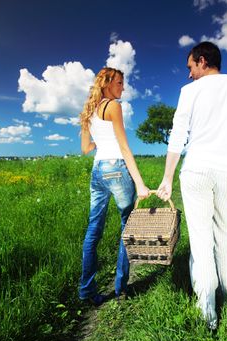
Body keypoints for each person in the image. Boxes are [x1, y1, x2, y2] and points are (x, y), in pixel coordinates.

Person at [156, 42, 227, 329]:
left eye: (190, 67)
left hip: (196, 171)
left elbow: (178, 136)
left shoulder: (189, 92)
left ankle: (208, 314)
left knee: (200, 242)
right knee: (225, 237)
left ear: (203, 60)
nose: (188, 74)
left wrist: (167, 178)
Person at [79, 67, 150, 305]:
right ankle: (121, 288)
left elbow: (85, 148)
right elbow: (124, 147)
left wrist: (100, 142)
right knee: (127, 227)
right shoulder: (113, 106)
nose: (123, 87)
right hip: (117, 168)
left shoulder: (88, 111)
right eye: (119, 83)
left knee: (93, 230)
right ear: (107, 84)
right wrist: (140, 183)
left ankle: (87, 291)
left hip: (98, 171)